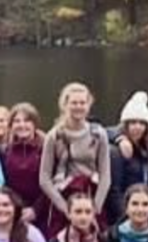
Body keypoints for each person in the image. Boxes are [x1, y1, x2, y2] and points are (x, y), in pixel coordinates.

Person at [40, 83, 112, 221]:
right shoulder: (54, 136)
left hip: (91, 194)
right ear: (65, 105)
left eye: (82, 103)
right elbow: (44, 178)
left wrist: (95, 207)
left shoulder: (98, 134)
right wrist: (64, 207)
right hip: (64, 195)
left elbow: (105, 175)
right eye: (74, 103)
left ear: (88, 105)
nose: (78, 107)